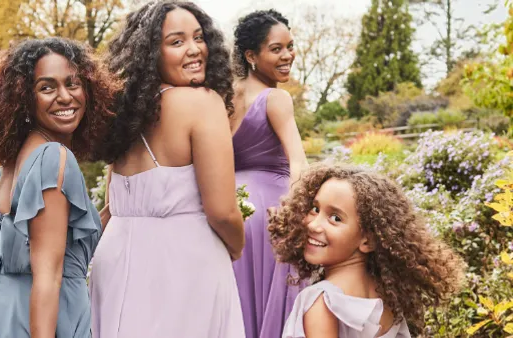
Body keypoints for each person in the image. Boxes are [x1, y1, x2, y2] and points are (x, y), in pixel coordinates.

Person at [89, 1, 245, 337]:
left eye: (199, 38)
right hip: (183, 264)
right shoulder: (202, 102)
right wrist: (236, 245)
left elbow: (111, 208)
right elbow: (221, 211)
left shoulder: (125, 116)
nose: (194, 50)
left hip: (114, 261)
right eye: (176, 42)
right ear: (150, 53)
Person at [0, 37, 117, 338]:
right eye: (47, 87)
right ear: (25, 99)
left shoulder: (22, 153)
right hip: (35, 322)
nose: (65, 96)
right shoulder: (52, 158)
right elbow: (47, 276)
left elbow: (58, 236)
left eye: (72, 84)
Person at [268, 163, 466, 337]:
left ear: (368, 241)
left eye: (336, 218)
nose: (313, 225)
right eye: (315, 209)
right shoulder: (388, 300)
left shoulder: (322, 300)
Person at [230, 9, 308, 338]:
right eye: (276, 49)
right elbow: (299, 162)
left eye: (290, 46)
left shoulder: (224, 97)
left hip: (232, 211)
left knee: (240, 302)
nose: (288, 55)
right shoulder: (276, 98)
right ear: (251, 55)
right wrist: (294, 209)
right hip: (272, 215)